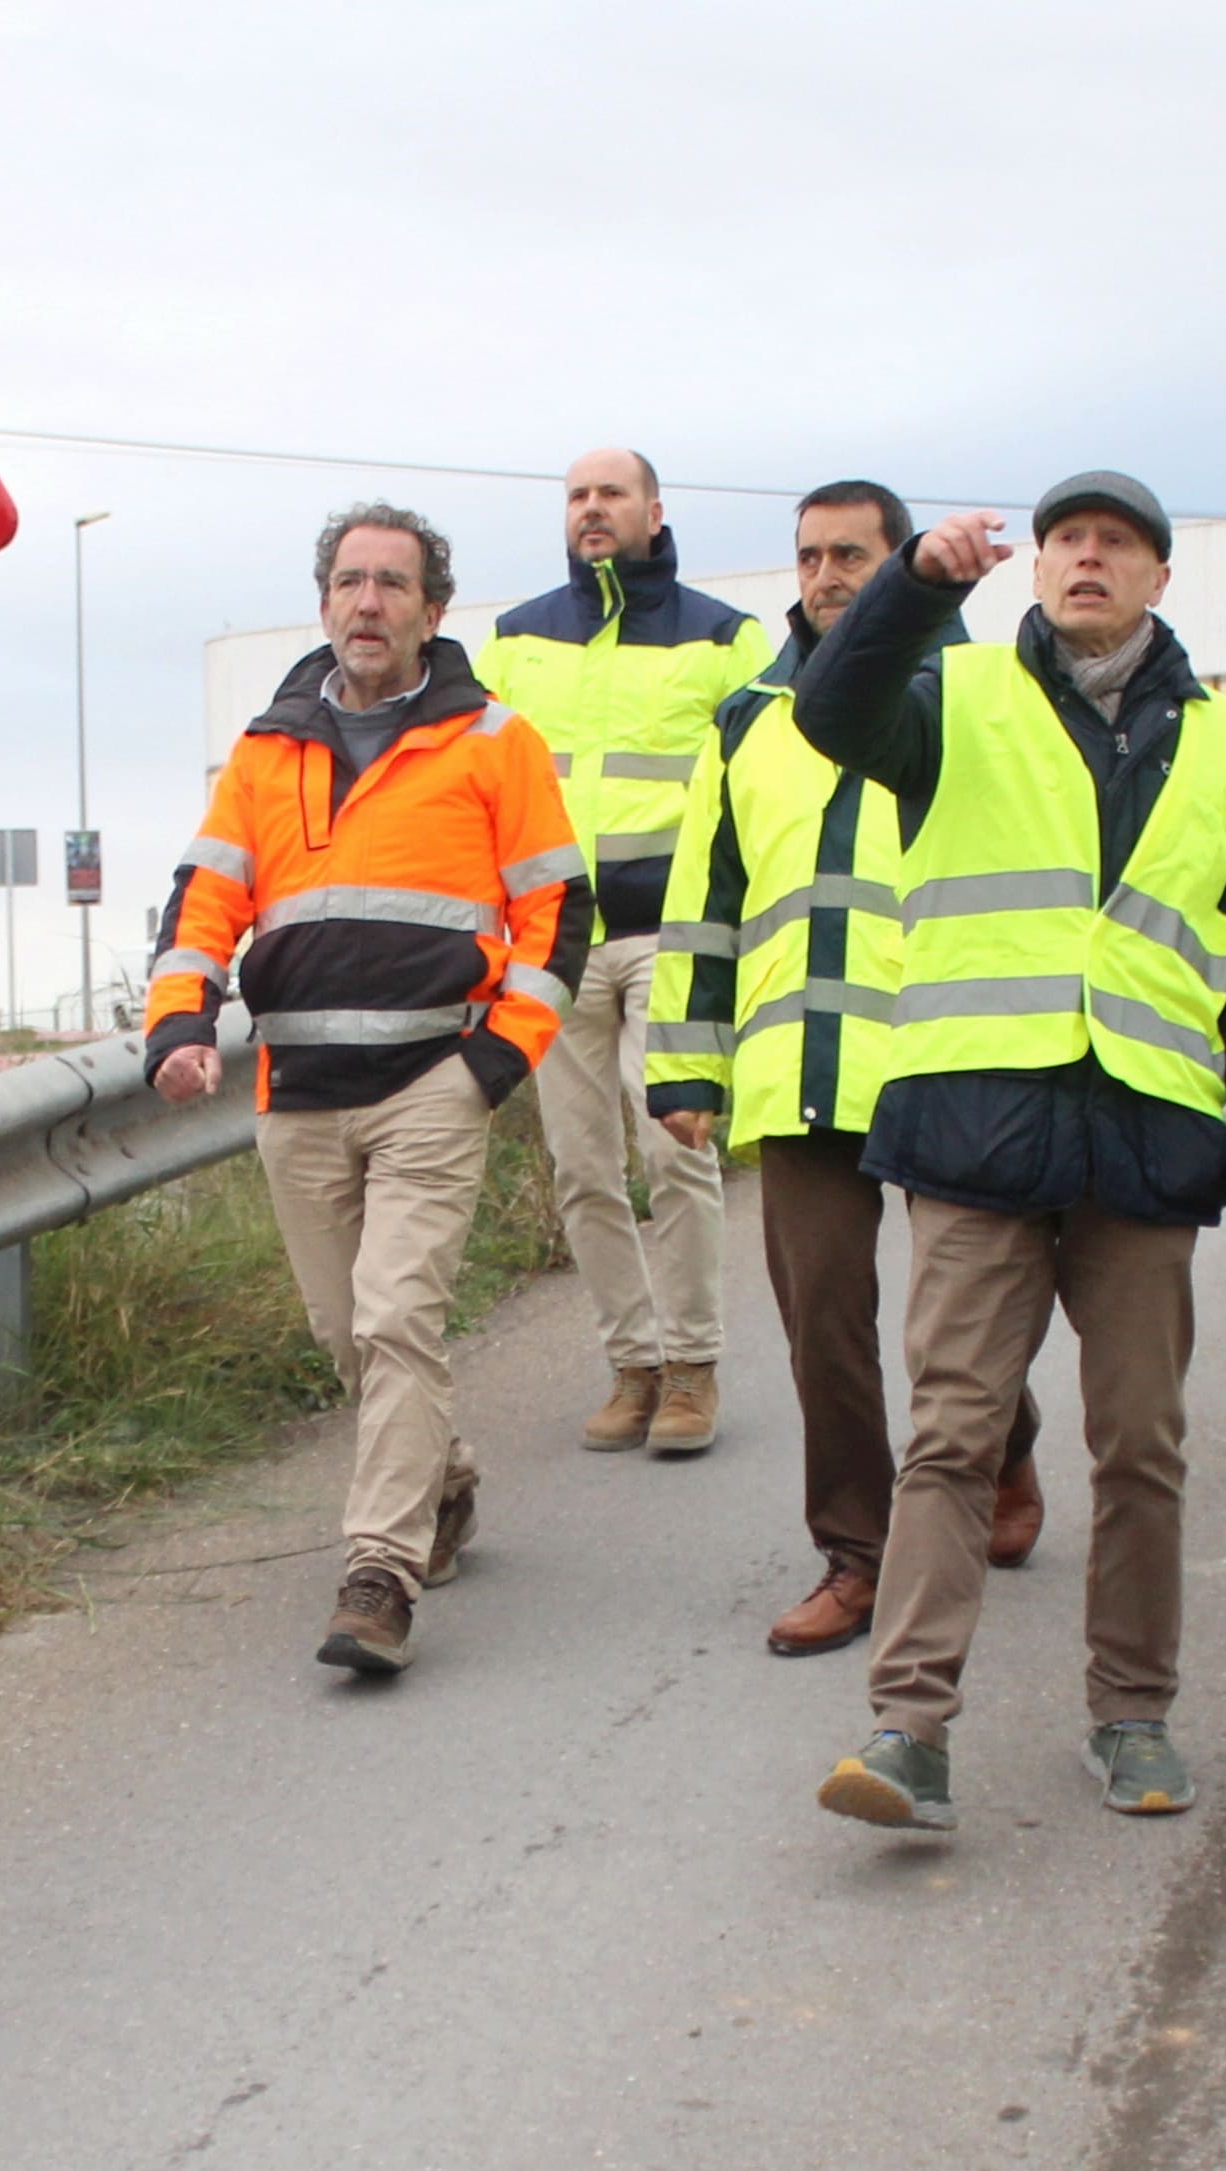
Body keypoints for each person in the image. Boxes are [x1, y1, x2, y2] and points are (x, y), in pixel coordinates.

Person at [788, 472, 1226, 1830]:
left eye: (1118, 542)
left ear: (1158, 577)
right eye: (1070, 539)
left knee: (1141, 1442)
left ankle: (1132, 1711)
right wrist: (916, 582)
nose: (1089, 557)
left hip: (1145, 1141)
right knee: (953, 1436)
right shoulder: (953, 697)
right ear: (1038, 568)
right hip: (974, 1129)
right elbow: (826, 709)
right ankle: (908, 1729)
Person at [146, 501, 590, 1678]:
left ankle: (378, 1575)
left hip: (430, 1080)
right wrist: (179, 1025)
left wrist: (495, 1060)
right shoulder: (264, 750)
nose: (369, 603)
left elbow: (557, 912)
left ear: (432, 611)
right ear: (324, 601)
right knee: (344, 1331)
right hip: (296, 1090)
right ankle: (439, 1481)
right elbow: (203, 902)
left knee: (398, 1317)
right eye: (350, 581)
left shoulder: (494, 740)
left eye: (394, 584)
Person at [648, 481, 1048, 1659]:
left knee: (960, 1323)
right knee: (824, 1317)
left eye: (852, 556)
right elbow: (704, 901)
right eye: (811, 555)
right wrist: (686, 1065)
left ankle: (1008, 1448)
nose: (827, 576)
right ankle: (857, 1552)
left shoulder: (988, 695)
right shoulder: (746, 719)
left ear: (904, 563)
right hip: (793, 1065)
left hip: (943, 1053)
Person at [474, 449, 771, 1457]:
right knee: (580, 1164)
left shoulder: (724, 637)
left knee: (672, 1148)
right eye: (575, 495)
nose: (591, 509)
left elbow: (760, 780)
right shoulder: (514, 641)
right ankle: (631, 1363)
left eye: (610, 494)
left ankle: (693, 1366)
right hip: (555, 941)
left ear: (653, 509)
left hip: (669, 934)